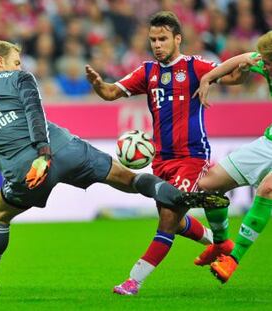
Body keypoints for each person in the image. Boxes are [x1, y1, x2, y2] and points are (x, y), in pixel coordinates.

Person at [0, 40, 229, 295]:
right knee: (129, 179)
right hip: (63, 149)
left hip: (27, 169)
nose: (21, 66)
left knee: (0, 213)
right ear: (0, 62)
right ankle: (182, 196)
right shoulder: (20, 78)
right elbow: (37, 112)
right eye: (17, 61)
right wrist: (44, 150)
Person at [85, 11, 244, 295]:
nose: (157, 44)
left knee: (168, 218)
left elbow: (232, 77)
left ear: (177, 39)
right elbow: (111, 93)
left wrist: (247, 62)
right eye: (153, 40)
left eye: (162, 39)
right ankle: (220, 244)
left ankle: (134, 281)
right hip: (161, 160)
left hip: (191, 156)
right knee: (177, 220)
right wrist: (98, 85)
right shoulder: (147, 72)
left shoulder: (195, 67)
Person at [193, 30, 272, 283]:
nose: (265, 66)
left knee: (267, 188)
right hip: (268, 142)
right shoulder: (265, 61)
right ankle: (220, 243)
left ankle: (233, 258)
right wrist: (208, 78)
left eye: (269, 63)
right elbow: (243, 59)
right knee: (206, 186)